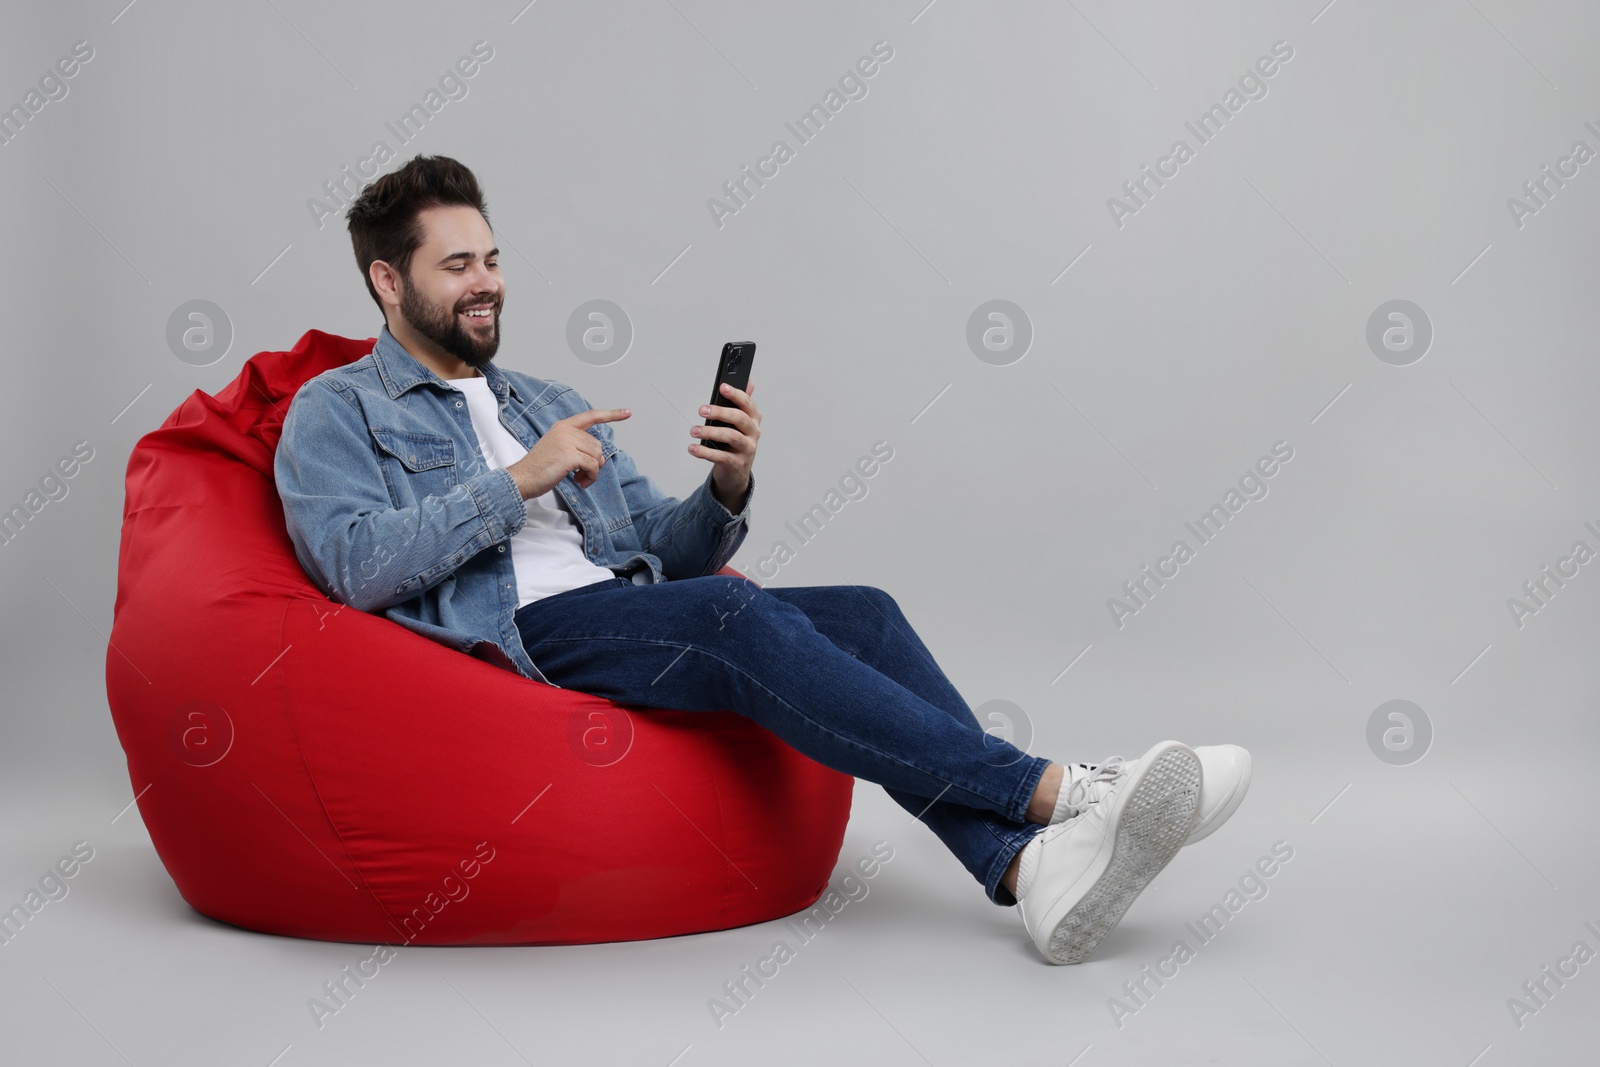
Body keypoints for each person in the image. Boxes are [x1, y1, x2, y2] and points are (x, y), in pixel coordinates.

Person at [273, 154, 1252, 965]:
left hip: (621, 606)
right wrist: (516, 482)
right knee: (730, 619)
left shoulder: (538, 394)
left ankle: (1022, 867)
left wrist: (727, 488)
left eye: (491, 257)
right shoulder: (338, 408)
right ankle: (1061, 791)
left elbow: (663, 549)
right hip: (516, 637)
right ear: (387, 281)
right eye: (456, 265)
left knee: (862, 610)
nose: (485, 281)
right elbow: (354, 564)